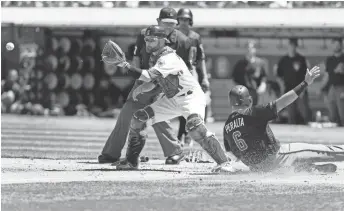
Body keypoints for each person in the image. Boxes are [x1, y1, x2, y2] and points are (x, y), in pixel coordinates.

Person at [108, 25, 231, 172]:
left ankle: (224, 163)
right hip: (172, 100)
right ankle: (131, 161)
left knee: (194, 126)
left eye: (152, 40)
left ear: (162, 40)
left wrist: (125, 65)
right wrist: (141, 88)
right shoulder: (159, 57)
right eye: (146, 40)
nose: (147, 43)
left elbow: (147, 75)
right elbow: (154, 82)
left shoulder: (168, 58)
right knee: (139, 118)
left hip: (191, 98)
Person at [98, 7, 192, 165]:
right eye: (165, 22)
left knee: (158, 117)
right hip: (143, 79)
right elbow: (137, 59)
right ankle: (111, 153)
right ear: (158, 21)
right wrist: (137, 77)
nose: (169, 26)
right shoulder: (145, 34)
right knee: (126, 114)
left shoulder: (183, 40)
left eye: (172, 23)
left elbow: (183, 69)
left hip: (166, 83)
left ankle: (175, 152)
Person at [223, 66, 344, 173]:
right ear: (248, 100)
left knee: (289, 163)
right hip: (277, 157)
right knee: (321, 150)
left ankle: (308, 169)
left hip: (258, 169)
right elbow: (284, 101)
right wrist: (305, 83)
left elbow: (233, 155)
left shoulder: (227, 126)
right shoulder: (252, 112)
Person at [176, 8, 210, 146]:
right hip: (176, 74)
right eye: (181, 19)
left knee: (191, 105)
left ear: (190, 20)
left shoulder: (195, 37)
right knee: (180, 106)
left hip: (191, 73)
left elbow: (200, 59)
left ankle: (186, 135)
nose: (184, 22)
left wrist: (204, 78)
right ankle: (181, 134)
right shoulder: (173, 35)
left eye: (186, 19)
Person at [276, 38, 311, 124]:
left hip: (300, 90)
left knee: (304, 113)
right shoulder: (283, 60)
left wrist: (304, 88)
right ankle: (292, 135)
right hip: (289, 91)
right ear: (288, 46)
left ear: (296, 47)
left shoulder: (301, 59)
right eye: (290, 45)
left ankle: (309, 132)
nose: (292, 47)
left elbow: (307, 75)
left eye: (294, 46)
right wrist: (282, 86)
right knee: (291, 114)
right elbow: (278, 75)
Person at [232, 40, 268, 106]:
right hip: (243, 96)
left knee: (256, 114)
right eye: (247, 48)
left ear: (255, 49)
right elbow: (235, 79)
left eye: (251, 48)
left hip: (257, 95)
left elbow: (264, 77)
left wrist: (263, 85)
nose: (249, 49)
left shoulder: (260, 63)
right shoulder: (240, 64)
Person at [321, 38, 344, 126]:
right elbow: (327, 75)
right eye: (335, 44)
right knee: (333, 114)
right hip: (331, 88)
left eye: (338, 44)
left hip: (342, 88)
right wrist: (322, 88)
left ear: (341, 46)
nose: (336, 46)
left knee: (342, 114)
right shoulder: (329, 59)